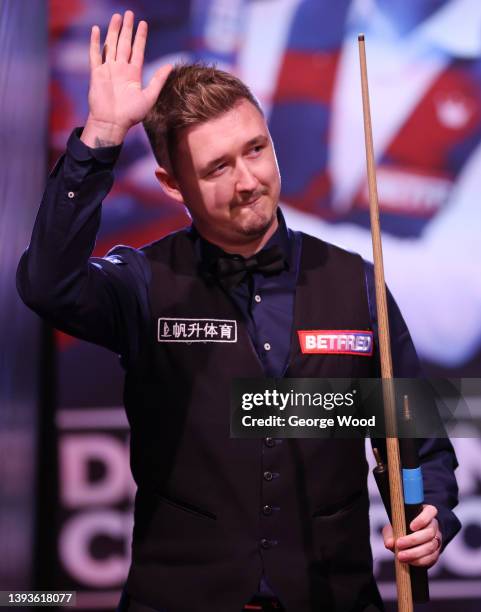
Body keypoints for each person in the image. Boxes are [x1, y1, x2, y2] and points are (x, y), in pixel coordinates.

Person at [17, 11, 460, 612]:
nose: (248, 180)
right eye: (217, 167)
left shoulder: (357, 282)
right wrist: (98, 139)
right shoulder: (144, 283)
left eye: (256, 150)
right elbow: (47, 284)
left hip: (332, 598)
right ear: (173, 186)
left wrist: (426, 507)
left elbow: (414, 442)